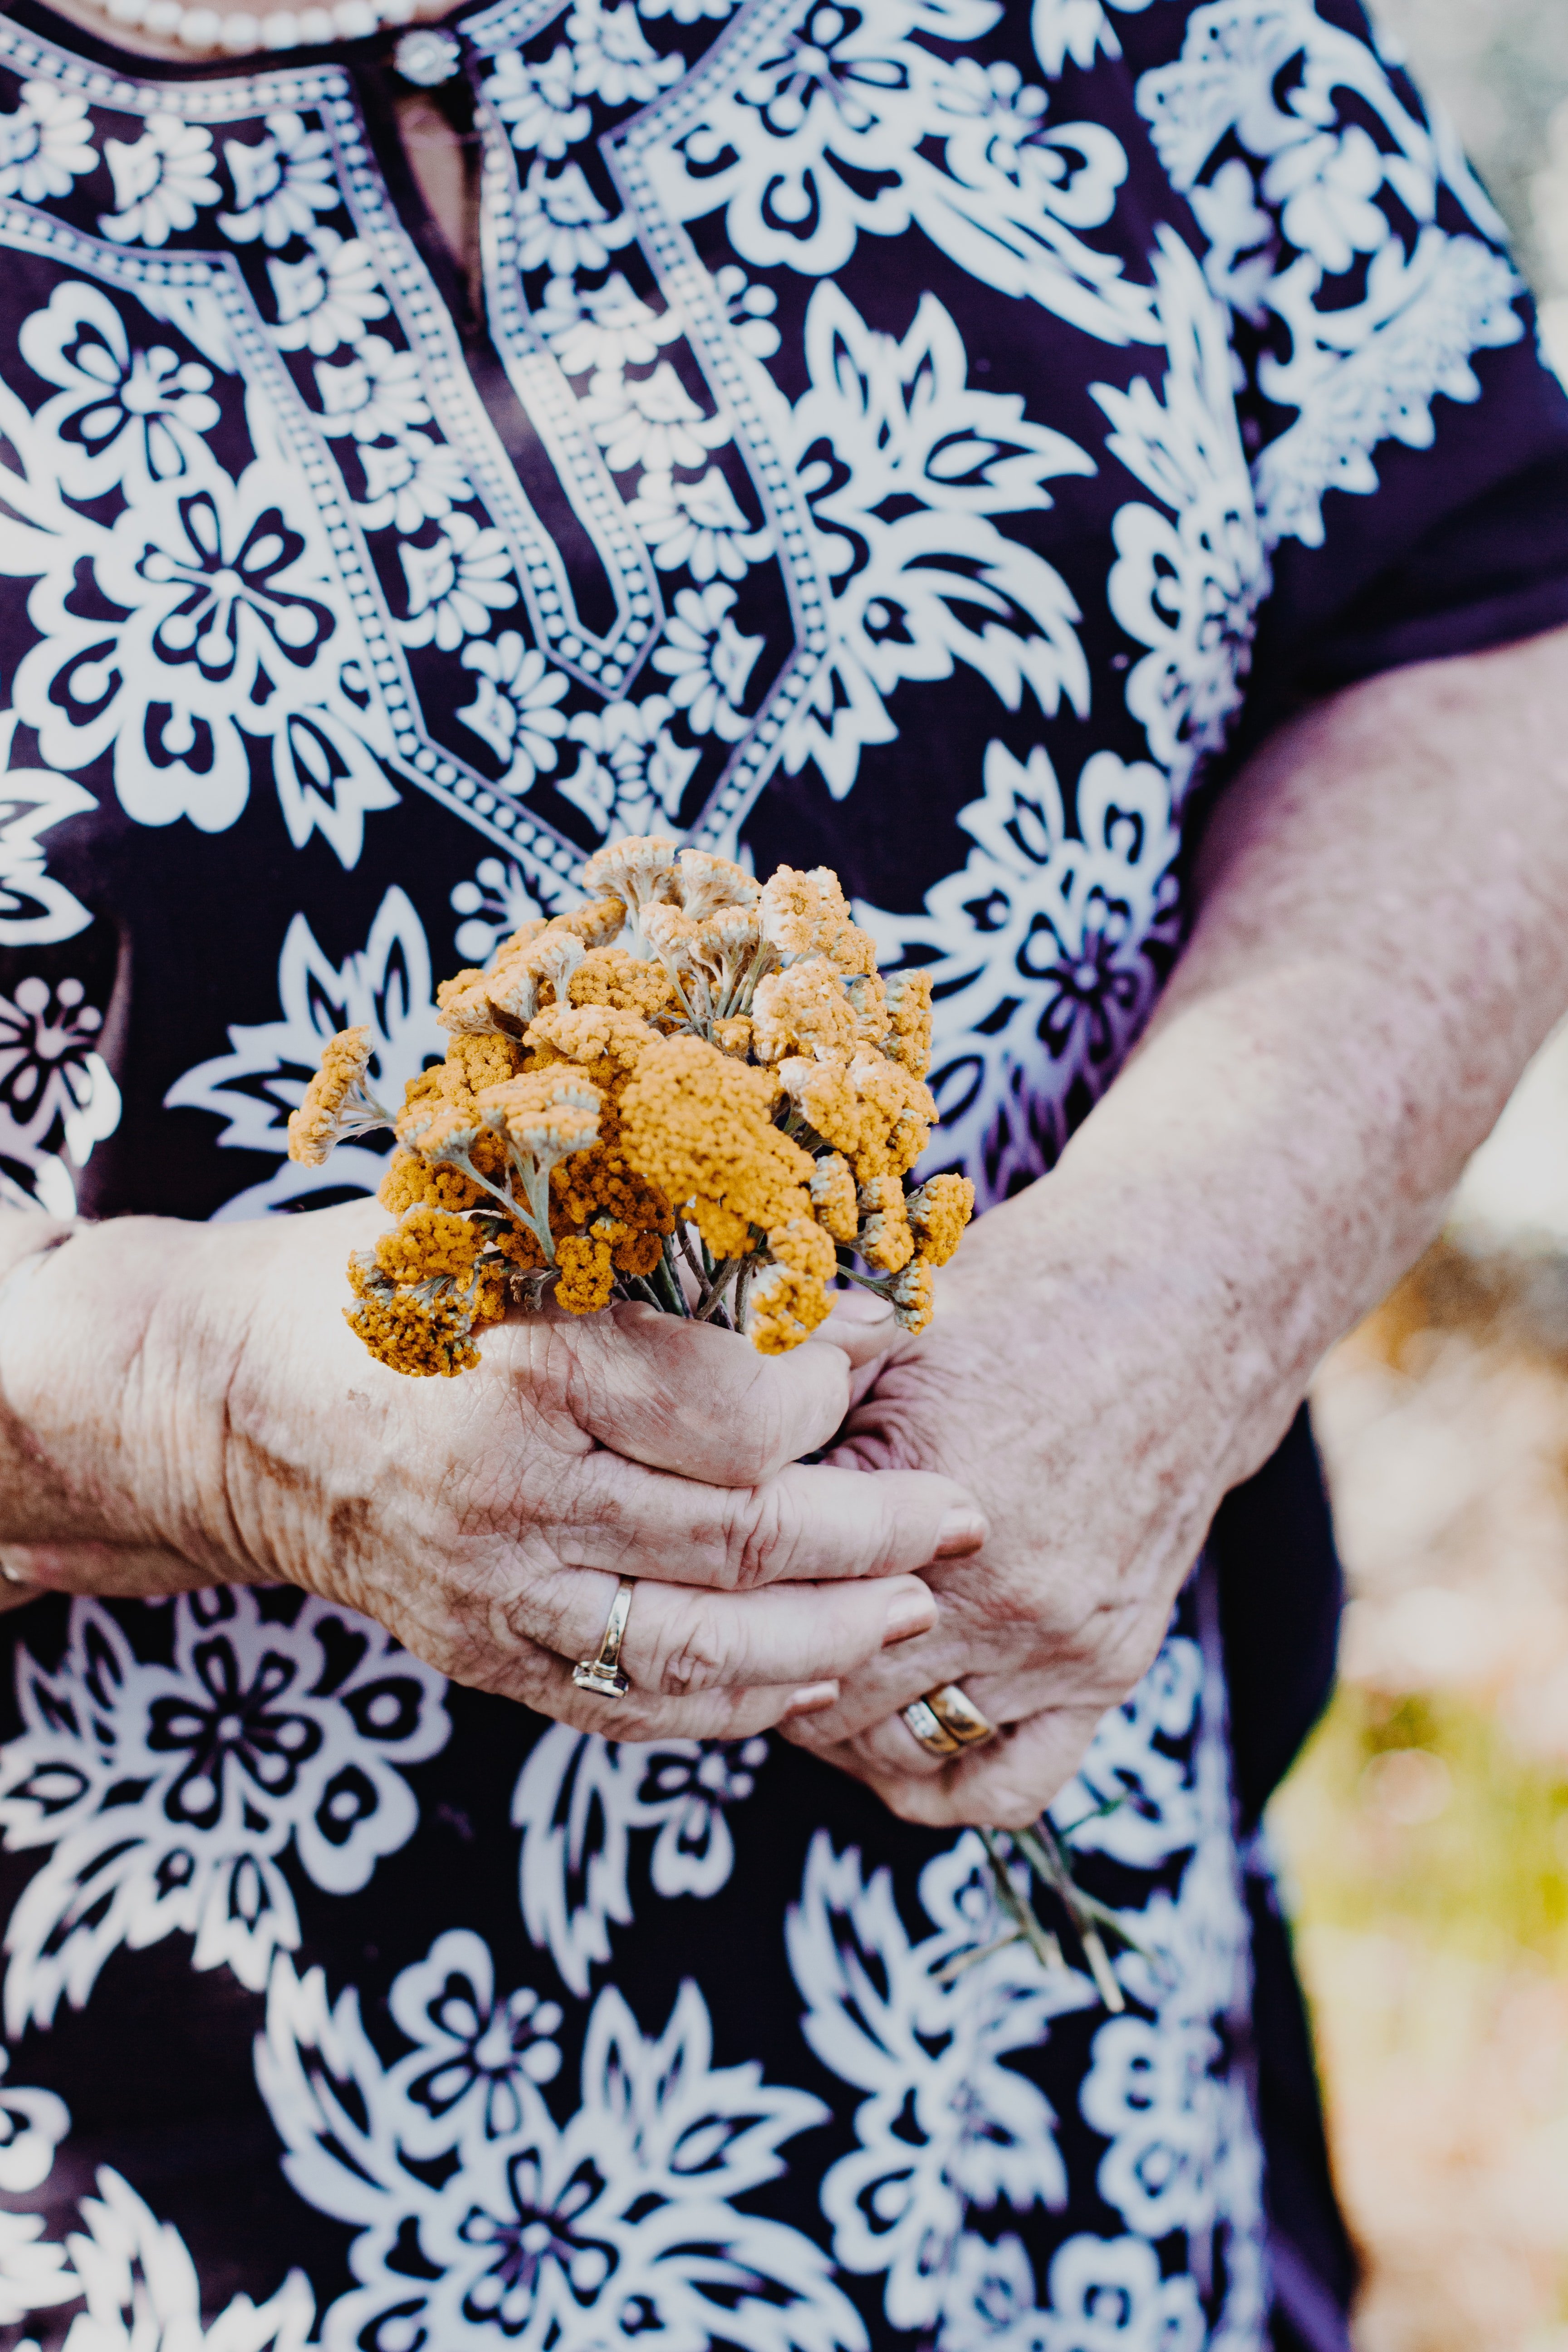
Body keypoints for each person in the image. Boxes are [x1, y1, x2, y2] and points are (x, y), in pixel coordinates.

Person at [0, 0, 1566, 2339]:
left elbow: (1480, 604)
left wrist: (1187, 1305)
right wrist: (182, 1414)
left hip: (1053, 2162)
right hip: (144, 2213)